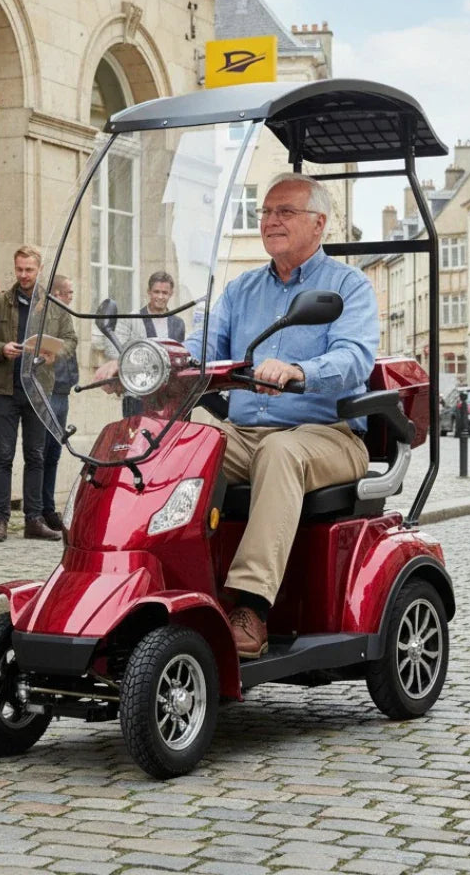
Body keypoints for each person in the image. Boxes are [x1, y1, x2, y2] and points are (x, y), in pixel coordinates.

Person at [96, 173, 377, 658]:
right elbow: (198, 352)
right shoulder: (242, 289)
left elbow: (355, 359)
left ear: (319, 224)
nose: (270, 221)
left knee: (281, 452)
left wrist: (298, 370)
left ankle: (251, 608)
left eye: (284, 212)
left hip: (325, 434)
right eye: (266, 212)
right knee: (169, 446)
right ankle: (136, 577)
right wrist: (140, 364)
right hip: (246, 432)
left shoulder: (347, 286)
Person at [0, 246, 78, 542]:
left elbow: (71, 339)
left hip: (38, 388)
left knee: (36, 455)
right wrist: (1, 349)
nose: (23, 275)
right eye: (19, 269)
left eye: (29, 270)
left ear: (39, 269)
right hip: (6, 389)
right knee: (3, 455)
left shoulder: (53, 305)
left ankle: (33, 519)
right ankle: (0, 521)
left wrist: (54, 354)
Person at [40, 274, 78, 532]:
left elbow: (72, 344)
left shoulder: (65, 315)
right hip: (49, 388)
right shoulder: (44, 313)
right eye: (68, 293)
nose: (70, 297)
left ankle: (48, 505)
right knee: (42, 450)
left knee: (54, 450)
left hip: (63, 389)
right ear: (56, 293)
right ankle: (40, 507)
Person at [102, 271, 186, 358]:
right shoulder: (131, 319)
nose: (160, 297)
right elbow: (112, 352)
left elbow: (180, 355)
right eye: (156, 292)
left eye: (164, 293)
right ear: (149, 292)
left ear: (171, 294)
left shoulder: (178, 324)